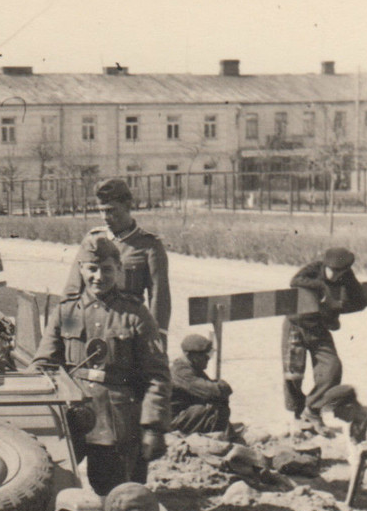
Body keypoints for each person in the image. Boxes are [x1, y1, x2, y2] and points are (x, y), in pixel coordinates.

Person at [31, 235, 170, 494]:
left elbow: (157, 377)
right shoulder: (67, 313)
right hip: (71, 415)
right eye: (92, 269)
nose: (98, 276)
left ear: (119, 270)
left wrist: (152, 427)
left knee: (116, 493)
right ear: (81, 269)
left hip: (116, 420)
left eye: (107, 269)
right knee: (52, 486)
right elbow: (44, 363)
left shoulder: (134, 315)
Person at [63, 178, 171, 334]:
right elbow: (73, 290)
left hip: (128, 330)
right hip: (92, 325)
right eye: (101, 210)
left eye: (111, 210)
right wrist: (68, 332)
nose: (104, 217)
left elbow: (159, 299)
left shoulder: (149, 246)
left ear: (127, 206)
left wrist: (157, 337)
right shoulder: (92, 239)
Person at [282, 247, 367, 425]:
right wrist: (322, 287)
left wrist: (337, 306)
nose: (336, 276)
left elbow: (360, 301)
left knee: (332, 369)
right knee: (293, 375)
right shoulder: (314, 268)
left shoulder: (347, 276)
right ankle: (296, 416)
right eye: (332, 271)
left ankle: (312, 410)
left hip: (320, 327)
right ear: (326, 265)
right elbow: (295, 280)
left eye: (340, 272)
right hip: (296, 324)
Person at [170, 333, 233, 435]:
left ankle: (223, 436)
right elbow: (213, 391)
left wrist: (220, 387)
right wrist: (221, 386)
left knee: (217, 405)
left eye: (209, 354)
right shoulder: (181, 371)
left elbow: (215, 389)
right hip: (174, 420)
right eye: (203, 355)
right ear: (189, 355)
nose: (208, 358)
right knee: (211, 409)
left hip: (185, 416)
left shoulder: (193, 368)